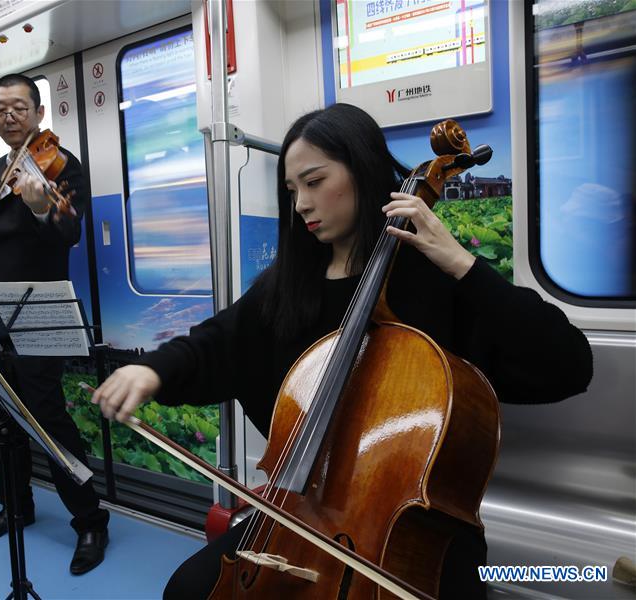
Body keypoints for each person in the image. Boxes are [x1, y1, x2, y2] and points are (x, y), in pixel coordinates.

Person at [91, 104, 594, 599]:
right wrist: (152, 371)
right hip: (304, 512)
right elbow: (217, 342)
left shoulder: (435, 281)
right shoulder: (291, 285)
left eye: (314, 182)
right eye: (292, 190)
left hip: (412, 533)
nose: (301, 205)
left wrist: (461, 262)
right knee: (187, 590)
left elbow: (567, 364)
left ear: (363, 170)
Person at [0, 73, 110, 575]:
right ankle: (16, 506)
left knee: (48, 417)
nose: (8, 116)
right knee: (1, 416)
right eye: (0, 109)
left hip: (37, 308)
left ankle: (91, 520)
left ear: (38, 113)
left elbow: (70, 232)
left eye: (19, 108)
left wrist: (39, 209)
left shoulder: (63, 165)